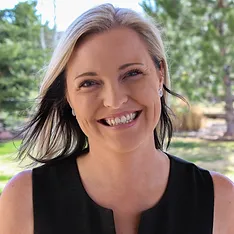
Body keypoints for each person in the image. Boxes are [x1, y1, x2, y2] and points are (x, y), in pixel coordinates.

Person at [0, 3, 233, 234]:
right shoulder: (24, 200)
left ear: (159, 75)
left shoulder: (220, 200)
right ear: (68, 97)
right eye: (88, 83)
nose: (115, 100)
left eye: (132, 73)